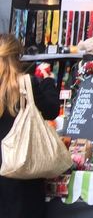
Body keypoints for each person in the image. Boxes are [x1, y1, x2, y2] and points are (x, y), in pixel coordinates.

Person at [0, 35, 60, 215]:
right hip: (22, 168)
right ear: (19, 57)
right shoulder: (26, 84)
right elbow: (51, 110)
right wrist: (48, 80)